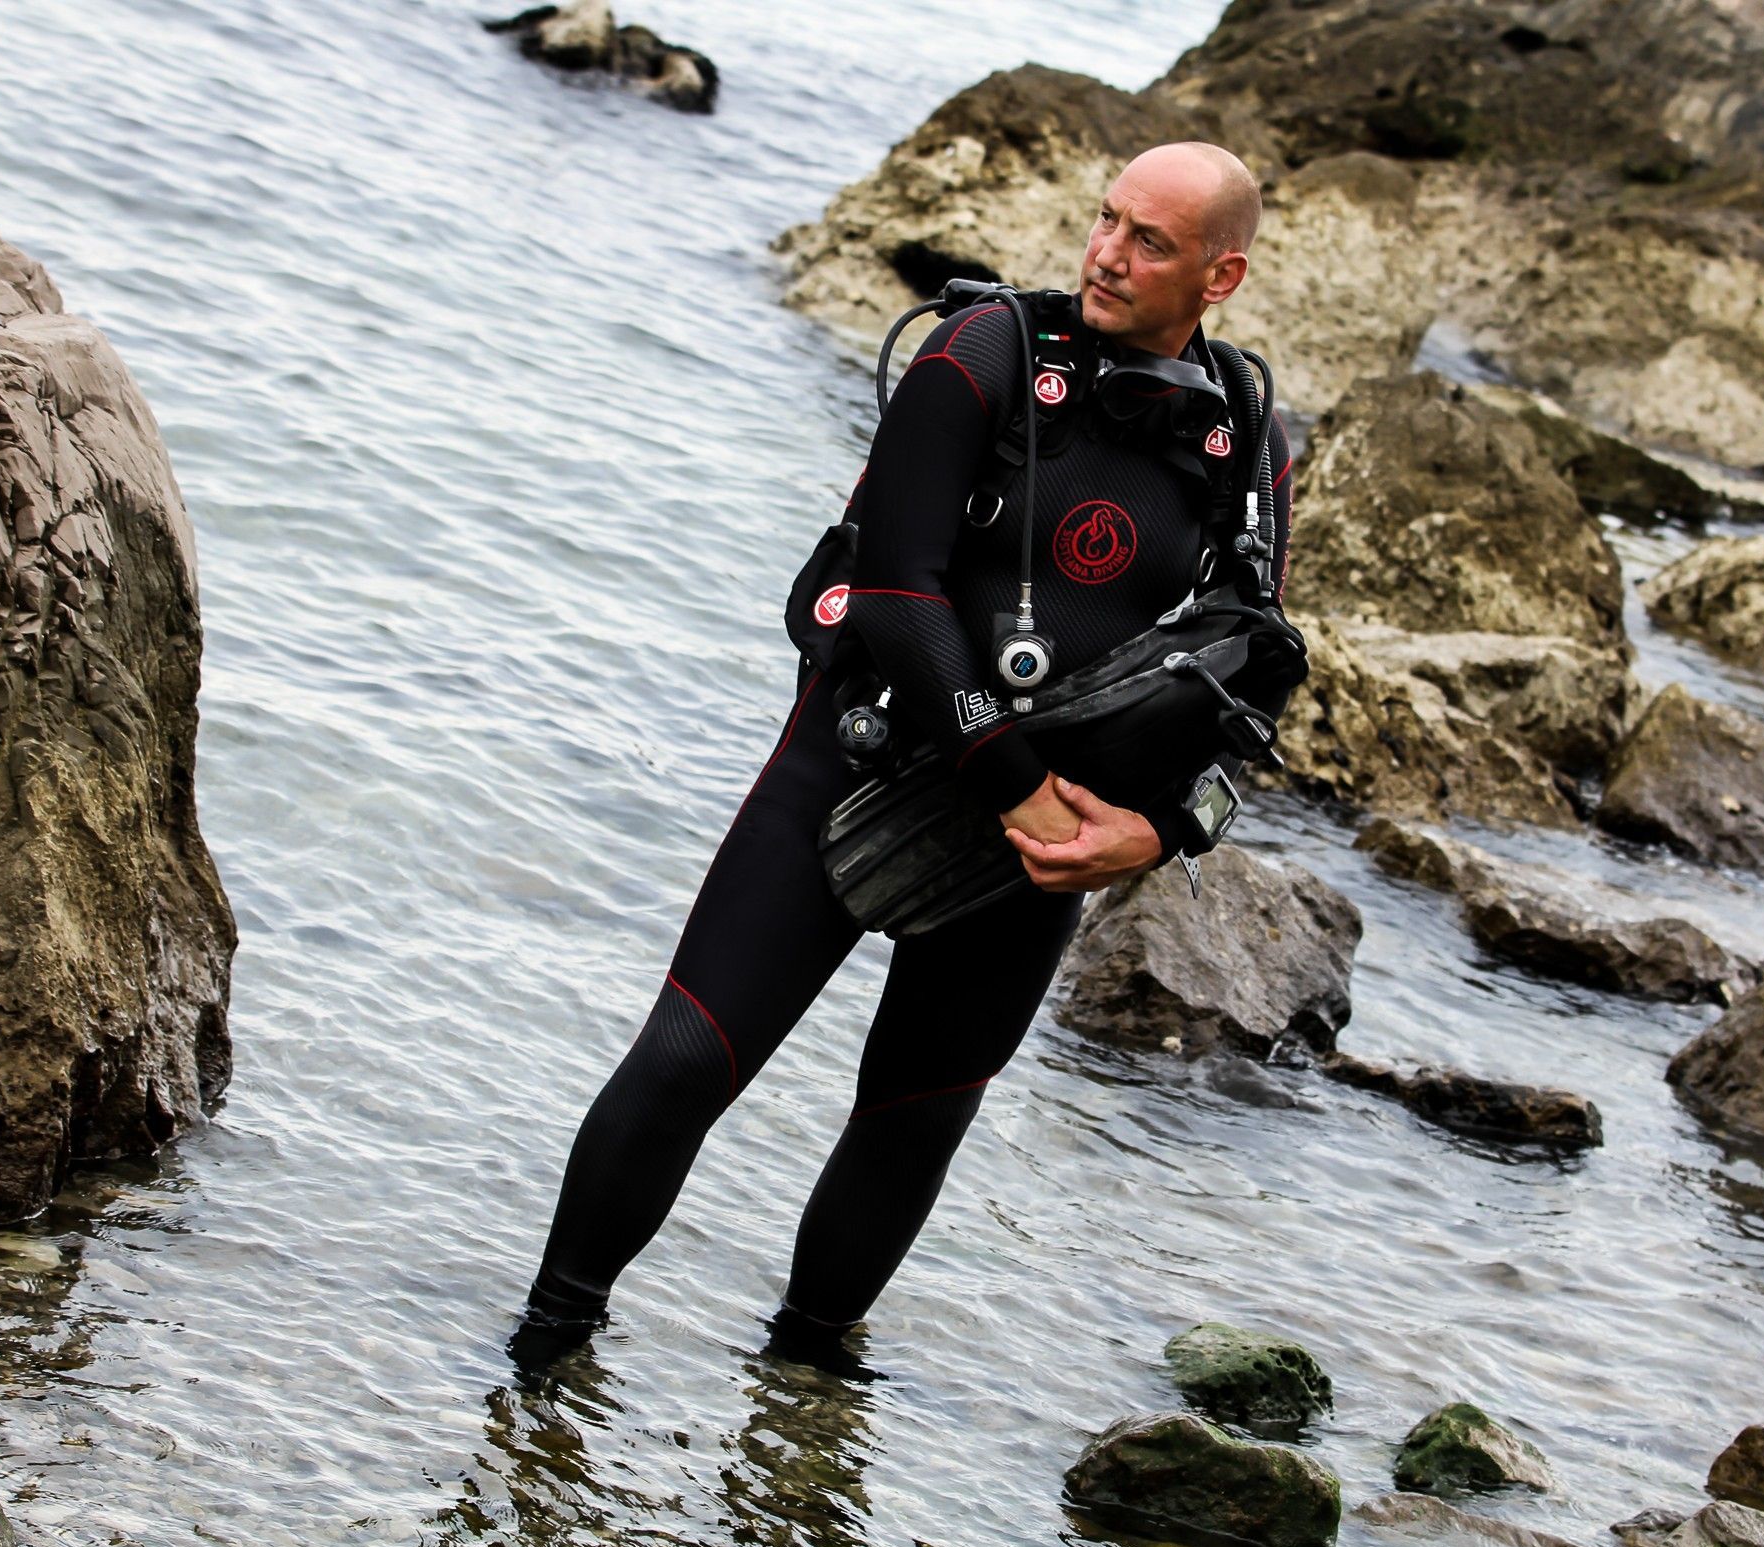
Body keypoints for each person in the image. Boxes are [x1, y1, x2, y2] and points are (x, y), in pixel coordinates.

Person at [512, 141, 1294, 1372]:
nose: (1105, 253)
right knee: (685, 1058)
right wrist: (1022, 786)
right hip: (862, 762)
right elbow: (892, 592)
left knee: (915, 1124)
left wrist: (1159, 832)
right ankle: (547, 1356)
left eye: (1149, 240)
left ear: (1222, 274)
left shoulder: (1243, 439)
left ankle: (807, 1391)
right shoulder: (980, 358)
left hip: (1033, 854)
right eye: (1105, 219)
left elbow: (1251, 680)